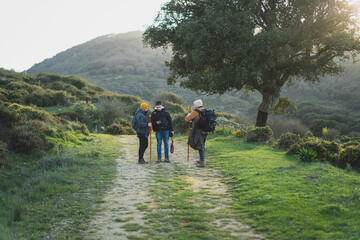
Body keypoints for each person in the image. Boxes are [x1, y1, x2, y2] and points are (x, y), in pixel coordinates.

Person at [185, 99, 208, 167]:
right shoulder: (205, 110)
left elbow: (187, 119)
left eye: (194, 104)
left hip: (198, 131)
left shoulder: (196, 111)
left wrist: (188, 115)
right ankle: (201, 159)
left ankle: (202, 162)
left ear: (197, 105)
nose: (194, 106)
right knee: (202, 144)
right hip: (205, 130)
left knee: (200, 145)